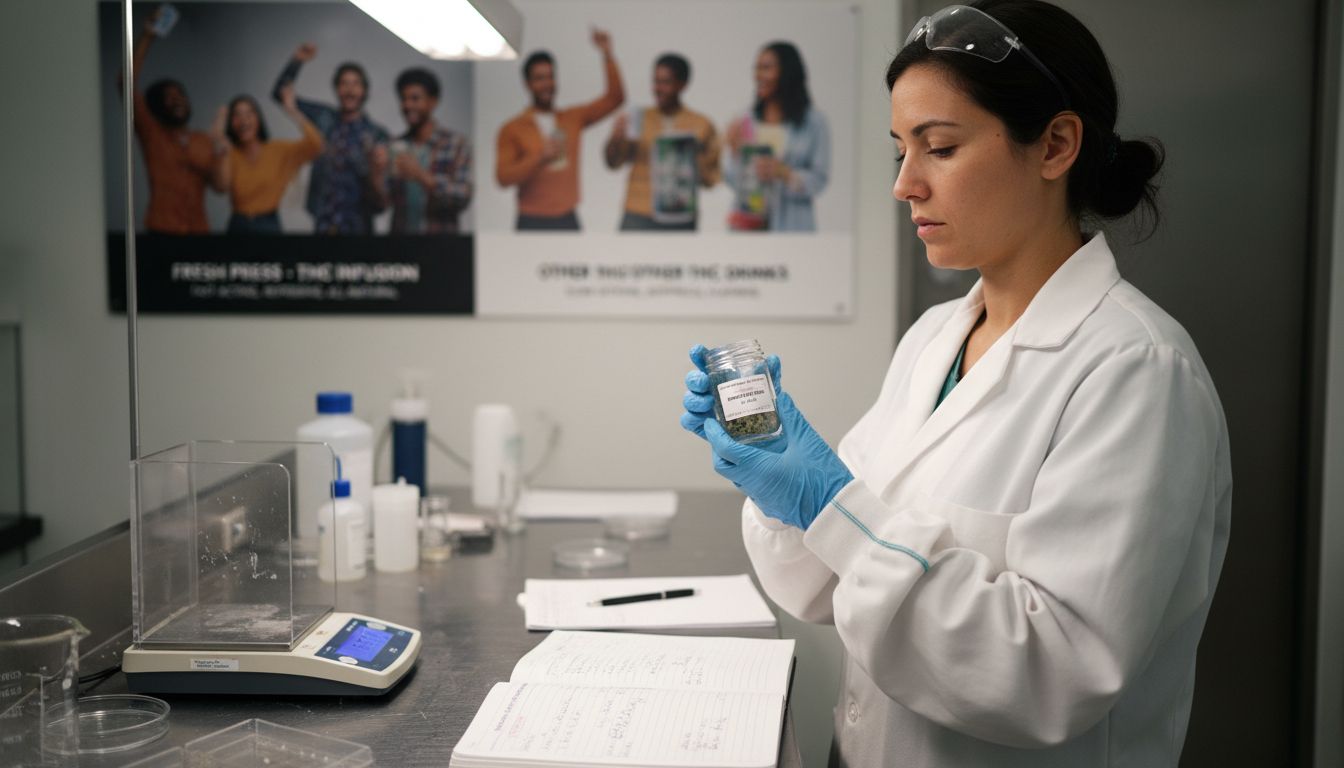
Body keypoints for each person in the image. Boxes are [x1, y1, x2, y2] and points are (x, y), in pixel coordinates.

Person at [680, 1, 1231, 766]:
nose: (906, 184)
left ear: (1056, 145)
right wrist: (784, 489)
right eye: (900, 149)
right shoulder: (934, 338)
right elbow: (823, 587)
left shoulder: (1136, 371)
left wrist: (831, 505)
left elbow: (1054, 672)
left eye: (939, 147)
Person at [495, 29, 624, 231]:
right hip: (531, 219)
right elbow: (503, 178)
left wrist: (607, 54)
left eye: (550, 77)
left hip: (567, 217)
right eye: (539, 78)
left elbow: (615, 98)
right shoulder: (513, 128)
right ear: (527, 84)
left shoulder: (571, 118)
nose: (547, 84)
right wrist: (539, 159)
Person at [270, 43, 390, 234]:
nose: (350, 90)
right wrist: (297, 61)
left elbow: (383, 193)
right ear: (336, 89)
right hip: (324, 221)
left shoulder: (377, 134)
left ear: (365, 91)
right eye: (344, 83)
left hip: (359, 226)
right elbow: (281, 95)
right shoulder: (324, 117)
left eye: (356, 84)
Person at [126, 6, 226, 234]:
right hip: (162, 229)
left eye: (180, 95)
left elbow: (220, 187)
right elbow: (126, 84)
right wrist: (148, 37)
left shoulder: (202, 140)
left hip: (199, 233)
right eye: (168, 98)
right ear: (157, 106)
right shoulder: (152, 133)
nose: (176, 100)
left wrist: (219, 144)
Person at [604, 54, 721, 231]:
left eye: (665, 82)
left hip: (680, 216)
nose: (657, 88)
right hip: (638, 214)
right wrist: (615, 138)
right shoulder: (638, 118)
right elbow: (612, 163)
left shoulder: (701, 124)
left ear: (682, 84)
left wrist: (692, 162)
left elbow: (711, 179)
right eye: (655, 81)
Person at [724, 41, 829, 232]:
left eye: (766, 68)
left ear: (787, 72)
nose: (758, 75)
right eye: (756, 68)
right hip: (747, 230)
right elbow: (732, 180)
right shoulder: (744, 120)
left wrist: (785, 173)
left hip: (792, 228)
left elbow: (819, 181)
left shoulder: (814, 122)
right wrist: (734, 153)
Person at [369, 68, 472, 234]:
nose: (408, 105)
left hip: (442, 247)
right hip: (401, 247)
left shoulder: (454, 144)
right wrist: (376, 174)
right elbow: (382, 204)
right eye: (404, 99)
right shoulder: (395, 146)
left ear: (433, 101)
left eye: (415, 98)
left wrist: (421, 175)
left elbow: (462, 197)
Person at [218, 88, 323, 234]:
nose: (243, 120)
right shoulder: (230, 154)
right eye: (237, 115)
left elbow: (316, 145)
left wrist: (292, 111)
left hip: (268, 224)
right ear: (231, 123)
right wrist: (221, 144)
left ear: (258, 119)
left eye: (249, 113)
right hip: (238, 225)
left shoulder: (278, 150)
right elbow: (222, 187)